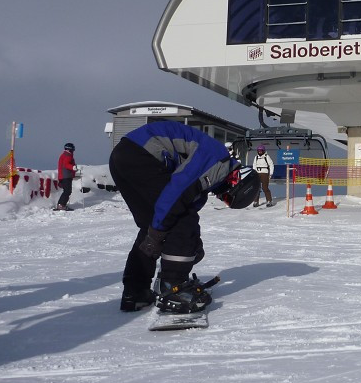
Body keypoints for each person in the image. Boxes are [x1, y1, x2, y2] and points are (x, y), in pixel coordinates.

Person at [110, 121, 260, 312]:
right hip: (142, 154)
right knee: (179, 220)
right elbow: (177, 195)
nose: (223, 198)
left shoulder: (213, 168)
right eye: (228, 196)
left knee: (152, 225)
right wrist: (165, 235)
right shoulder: (216, 159)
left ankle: (136, 290)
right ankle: (173, 288)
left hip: (123, 156)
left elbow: (186, 203)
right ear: (236, 180)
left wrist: (192, 245)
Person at [55, 142, 77, 211]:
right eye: (73, 150)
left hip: (64, 176)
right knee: (67, 191)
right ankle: (61, 205)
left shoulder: (65, 155)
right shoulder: (67, 155)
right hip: (66, 176)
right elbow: (66, 164)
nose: (73, 151)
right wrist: (73, 167)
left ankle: (61, 204)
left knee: (67, 191)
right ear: (70, 149)